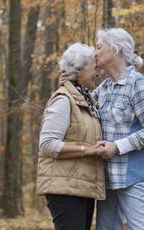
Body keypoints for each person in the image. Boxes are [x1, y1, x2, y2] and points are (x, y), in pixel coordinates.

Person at [59, 28, 144, 229]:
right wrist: (66, 85)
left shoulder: (137, 84)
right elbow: (78, 107)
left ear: (116, 49)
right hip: (107, 177)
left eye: (99, 47)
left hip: (135, 175)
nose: (95, 53)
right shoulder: (104, 88)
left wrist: (117, 146)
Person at [37, 43, 106, 230]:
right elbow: (48, 145)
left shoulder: (86, 100)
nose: (98, 72)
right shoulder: (63, 100)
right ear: (78, 69)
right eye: (94, 66)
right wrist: (88, 150)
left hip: (81, 185)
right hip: (64, 188)